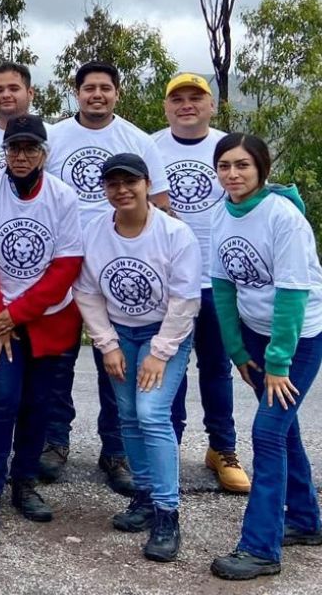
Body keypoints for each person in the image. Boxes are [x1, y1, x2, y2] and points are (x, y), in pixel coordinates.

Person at [41, 61, 170, 494]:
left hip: (116, 264)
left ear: (117, 93)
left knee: (113, 361)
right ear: (75, 92)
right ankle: (55, 440)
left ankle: (115, 450)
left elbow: (160, 203)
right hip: (61, 260)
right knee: (58, 358)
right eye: (89, 88)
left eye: (105, 88)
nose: (97, 95)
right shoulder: (55, 137)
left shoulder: (137, 140)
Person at [0, 116, 84, 533]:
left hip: (46, 318)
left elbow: (67, 265)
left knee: (37, 405)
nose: (22, 156)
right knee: (0, 400)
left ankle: (24, 483)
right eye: (14, 148)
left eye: (31, 149)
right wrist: (0, 317)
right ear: (5, 152)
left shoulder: (63, 196)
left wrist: (17, 314)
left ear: (44, 153)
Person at [75, 153, 201, 563]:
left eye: (130, 182)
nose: (122, 190)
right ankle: (144, 497)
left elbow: (185, 299)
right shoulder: (96, 231)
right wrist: (107, 344)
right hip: (119, 331)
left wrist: (161, 353)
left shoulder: (173, 233)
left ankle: (168, 513)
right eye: (113, 183)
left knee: (151, 413)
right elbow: (88, 291)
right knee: (127, 414)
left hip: (164, 330)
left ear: (147, 184)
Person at [208, 134, 322, 582]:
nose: (233, 174)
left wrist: (278, 363)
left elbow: (293, 295)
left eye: (242, 166)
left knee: (268, 433)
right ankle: (306, 522)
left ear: (261, 169)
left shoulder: (284, 218)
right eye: (224, 166)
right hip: (255, 338)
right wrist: (236, 349)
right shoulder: (222, 214)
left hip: (297, 341)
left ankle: (260, 548)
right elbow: (222, 287)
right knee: (285, 429)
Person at [151, 72, 249, 493]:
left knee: (215, 367)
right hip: (168, 280)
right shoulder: (149, 146)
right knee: (169, 366)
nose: (187, 105)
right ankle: (166, 447)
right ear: (167, 107)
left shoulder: (229, 148)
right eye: (178, 99)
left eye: (196, 98)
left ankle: (222, 449)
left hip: (218, 278)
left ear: (212, 105)